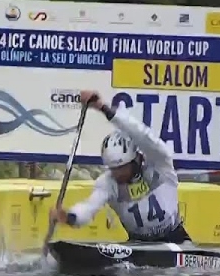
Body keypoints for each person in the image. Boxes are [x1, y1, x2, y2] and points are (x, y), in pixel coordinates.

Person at [50, 90, 190, 243]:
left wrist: (102, 108)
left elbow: (142, 134)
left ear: (136, 159)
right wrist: (70, 217)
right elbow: (90, 207)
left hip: (176, 238)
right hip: (138, 246)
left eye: (122, 168)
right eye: (114, 169)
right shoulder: (108, 183)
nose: (118, 174)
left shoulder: (160, 163)